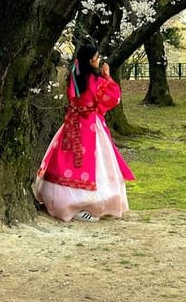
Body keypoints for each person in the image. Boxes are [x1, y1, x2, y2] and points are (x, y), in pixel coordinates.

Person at [34, 45, 135, 222]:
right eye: (96, 57)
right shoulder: (96, 80)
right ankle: (86, 206)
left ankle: (61, 201)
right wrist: (107, 76)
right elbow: (114, 97)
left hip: (72, 123)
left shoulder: (74, 75)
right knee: (93, 163)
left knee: (67, 160)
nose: (98, 60)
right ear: (90, 60)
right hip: (90, 124)